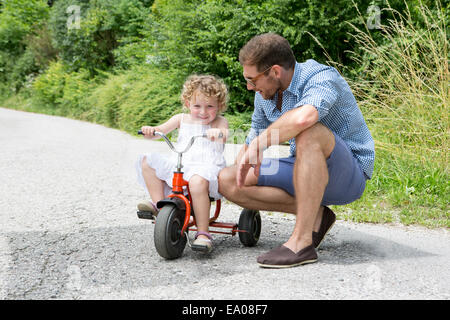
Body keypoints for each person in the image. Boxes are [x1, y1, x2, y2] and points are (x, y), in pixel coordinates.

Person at [218, 33, 375, 268]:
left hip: (347, 174)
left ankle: (302, 244)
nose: (250, 87)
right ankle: (318, 217)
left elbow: (304, 118)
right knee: (228, 179)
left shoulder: (321, 77)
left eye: (253, 80)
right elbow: (254, 135)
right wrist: (244, 160)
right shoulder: (265, 94)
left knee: (309, 131)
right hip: (303, 169)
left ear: (275, 71)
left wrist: (261, 144)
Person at [136, 74, 229, 253]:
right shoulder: (181, 119)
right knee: (148, 161)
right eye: (197, 106)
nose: (203, 111)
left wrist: (217, 133)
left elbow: (223, 134)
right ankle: (160, 205)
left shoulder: (219, 121)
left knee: (197, 181)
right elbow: (160, 131)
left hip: (205, 167)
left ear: (219, 106)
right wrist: (151, 131)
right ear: (187, 104)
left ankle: (203, 233)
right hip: (181, 163)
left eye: (210, 106)